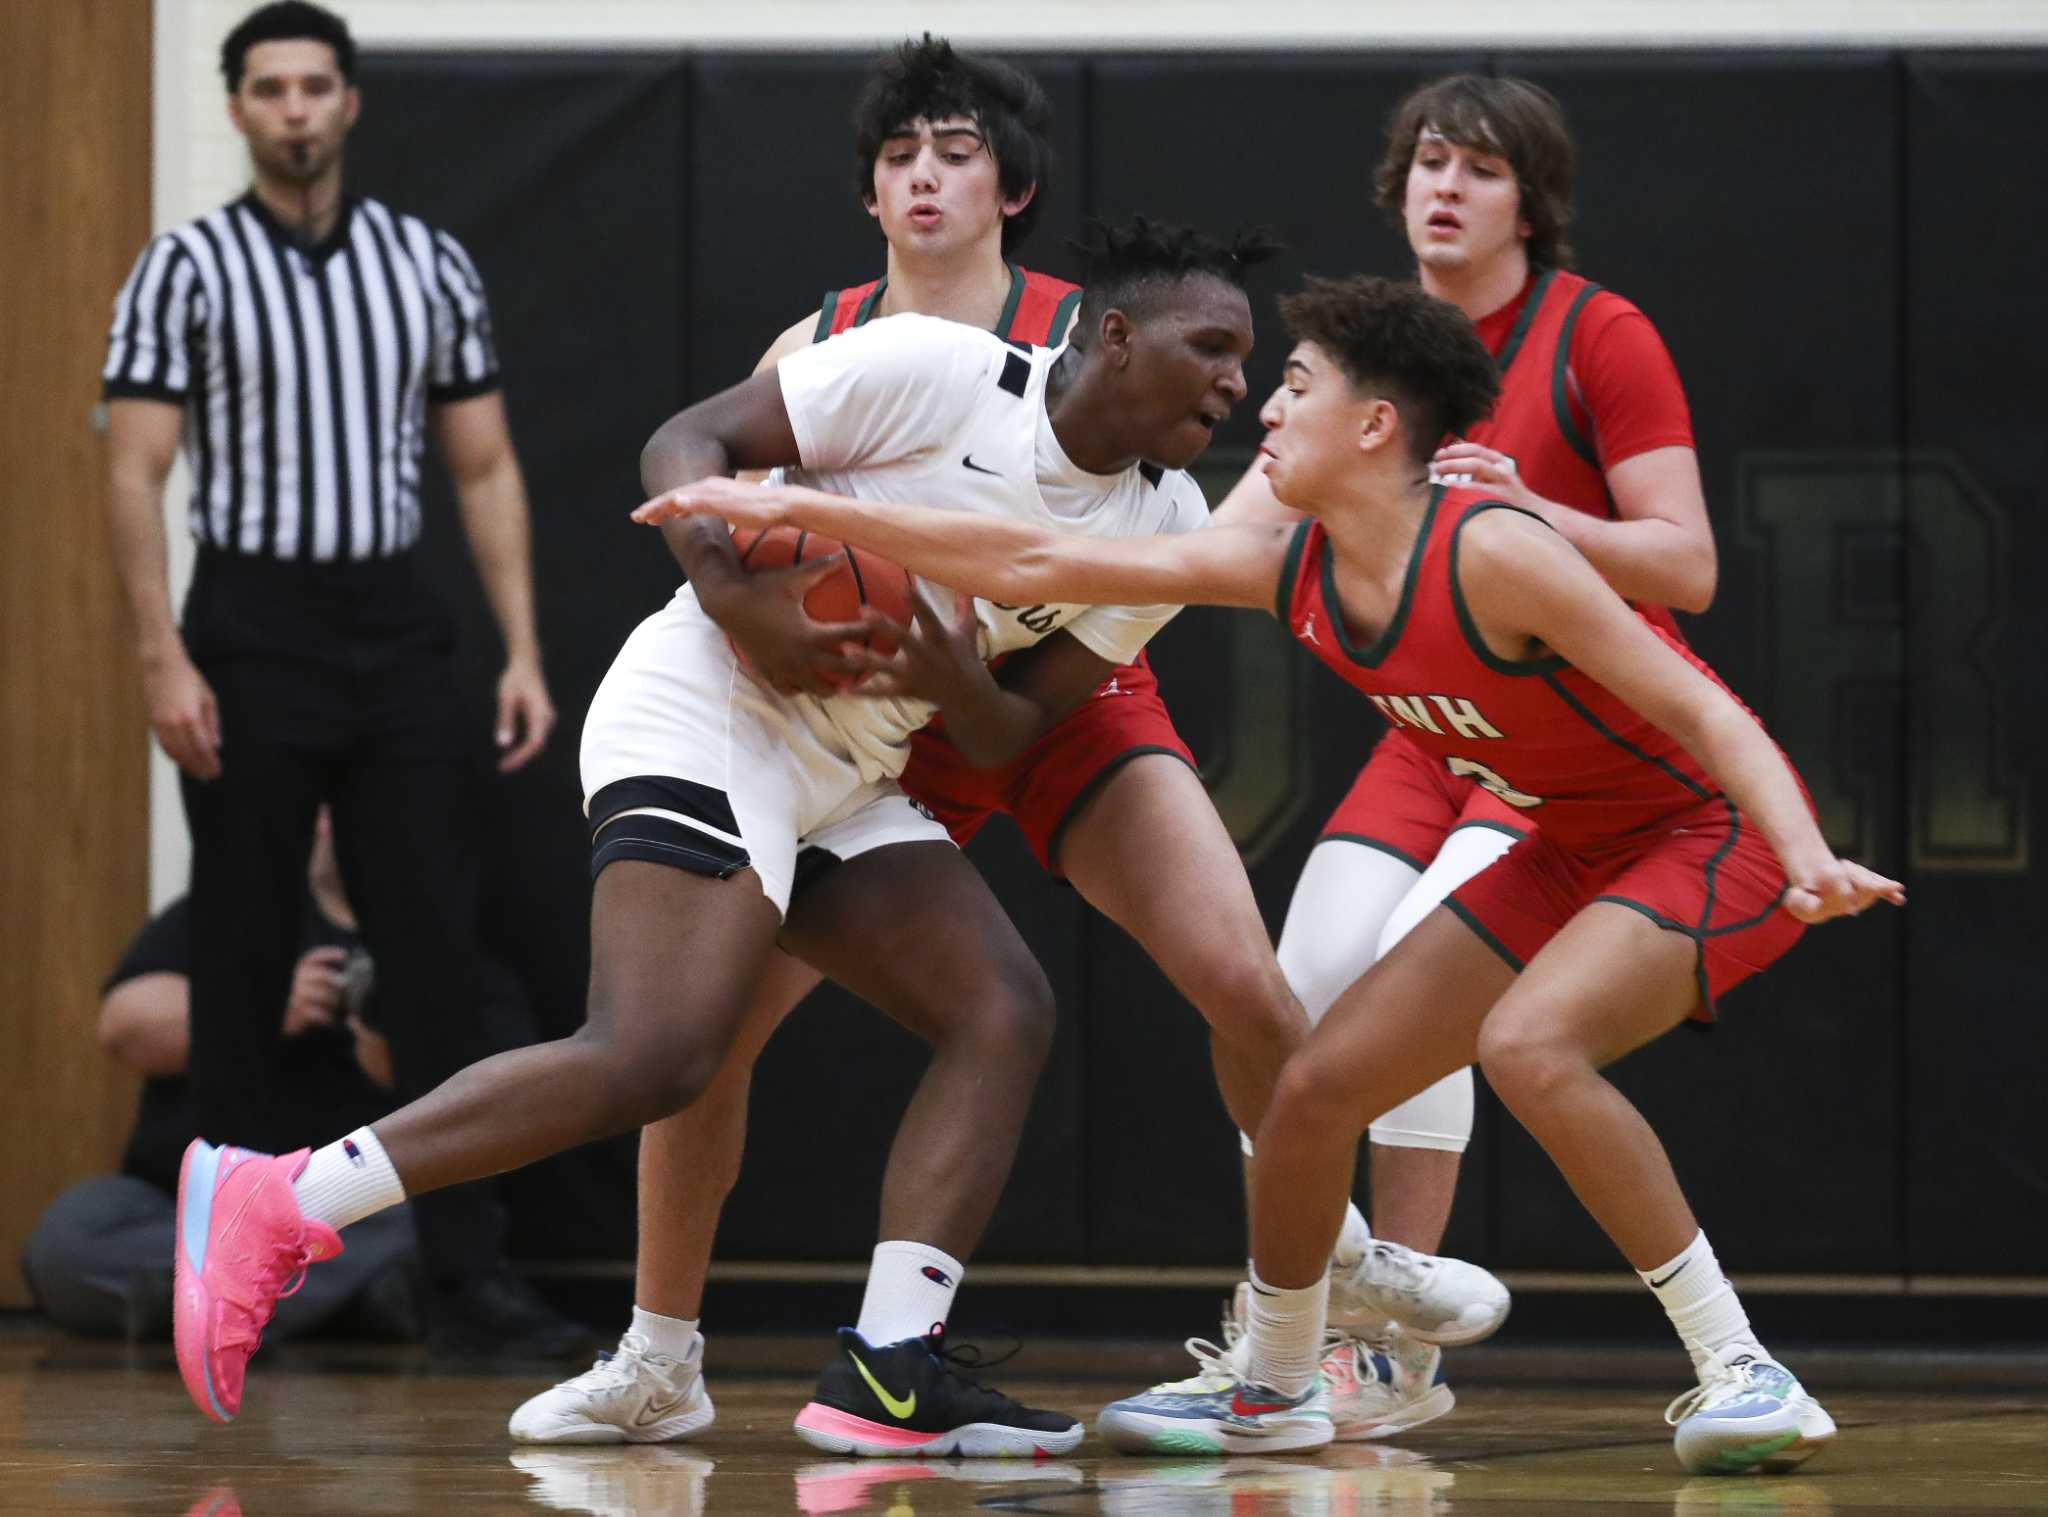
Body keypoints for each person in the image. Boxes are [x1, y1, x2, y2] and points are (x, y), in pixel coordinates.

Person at [634, 272, 1903, 1474]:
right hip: (1559, 838)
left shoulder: (1494, 550)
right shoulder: (1284, 562)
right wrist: (797, 509)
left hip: (1705, 833)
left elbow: (1707, 708)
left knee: (1526, 1044)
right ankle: (1281, 1383)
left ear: (1375, 424)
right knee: (1305, 1092)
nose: (1269, 406)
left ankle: (1743, 1366)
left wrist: (1803, 855)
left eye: (1296, 384)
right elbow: (1024, 563)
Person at [509, 38, 1500, 1449]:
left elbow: (1190, 549)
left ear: (1013, 185)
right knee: (705, 1036)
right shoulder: (824, 337)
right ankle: (659, 1352)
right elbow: (716, 507)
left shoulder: (1098, 321)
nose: (925, 173)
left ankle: (1322, 1260)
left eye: (956, 150)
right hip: (874, 718)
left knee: (1234, 965)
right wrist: (758, 603)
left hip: (1064, 684)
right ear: (865, 191)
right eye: (900, 153)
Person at [169, 218, 1276, 1453]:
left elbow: (1015, 728)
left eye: (1247, 357)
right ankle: (281, 1195)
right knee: (656, 1053)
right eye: (1213, 346)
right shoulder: (940, 369)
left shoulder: (1168, 520)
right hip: (708, 703)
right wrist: (744, 596)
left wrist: (951, 669)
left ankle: (890, 1366)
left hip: (845, 770)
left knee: (1000, 1009)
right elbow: (685, 444)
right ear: (1114, 337)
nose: (1238, 380)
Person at [1203, 72, 1718, 1434]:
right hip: (1434, 731)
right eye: (1430, 161)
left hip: (1557, 736)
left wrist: (1537, 509)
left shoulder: (1597, 333)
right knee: (1298, 981)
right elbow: (1231, 539)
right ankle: (1330, 1306)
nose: (1446, 186)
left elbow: (1689, 563)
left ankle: (1393, 1355)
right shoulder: (1373, 347)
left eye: (1481, 169)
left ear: (1529, 201)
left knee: (1416, 970)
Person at [98, 2, 576, 1353]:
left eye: (317, 85)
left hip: (400, 622)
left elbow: (482, 464)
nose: (297, 108)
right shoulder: (183, 268)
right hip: (251, 624)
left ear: (350, 104)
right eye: (271, 88)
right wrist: (160, 650)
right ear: (240, 108)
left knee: (429, 951)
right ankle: (237, 1274)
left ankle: (462, 1273)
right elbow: (134, 469)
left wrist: (524, 648)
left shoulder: (425, 263)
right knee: (246, 954)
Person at [25, 810, 418, 1344]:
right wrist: (265, 1008)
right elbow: (123, 1026)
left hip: (329, 1214)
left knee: (422, 1230)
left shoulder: (429, 938)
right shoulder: (232, 907)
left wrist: (385, 1046)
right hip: (179, 1204)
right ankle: (296, 1303)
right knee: (67, 1239)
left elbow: (465, 1097)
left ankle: (195, 1304)